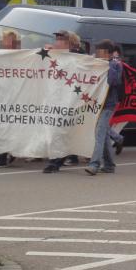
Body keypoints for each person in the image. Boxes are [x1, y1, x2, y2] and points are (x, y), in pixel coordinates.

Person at [42, 31, 83, 173]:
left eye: (60, 39)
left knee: (62, 131)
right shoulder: (52, 55)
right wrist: (44, 53)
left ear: (68, 43)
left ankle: (56, 162)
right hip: (54, 99)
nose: (56, 41)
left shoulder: (76, 57)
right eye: (56, 39)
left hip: (70, 99)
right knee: (55, 131)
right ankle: (56, 160)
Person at [85, 40, 123, 175]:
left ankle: (94, 164)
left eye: (99, 51)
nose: (96, 54)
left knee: (99, 133)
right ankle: (109, 164)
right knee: (104, 134)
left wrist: (107, 65)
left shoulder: (116, 65)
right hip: (96, 103)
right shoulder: (97, 64)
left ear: (107, 53)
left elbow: (114, 81)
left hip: (108, 105)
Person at [0, 30, 21, 168]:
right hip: (1, 98)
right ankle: (6, 154)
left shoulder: (22, 56)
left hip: (15, 98)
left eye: (10, 40)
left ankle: (3, 156)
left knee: (7, 128)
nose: (7, 42)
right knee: (1, 127)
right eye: (5, 39)